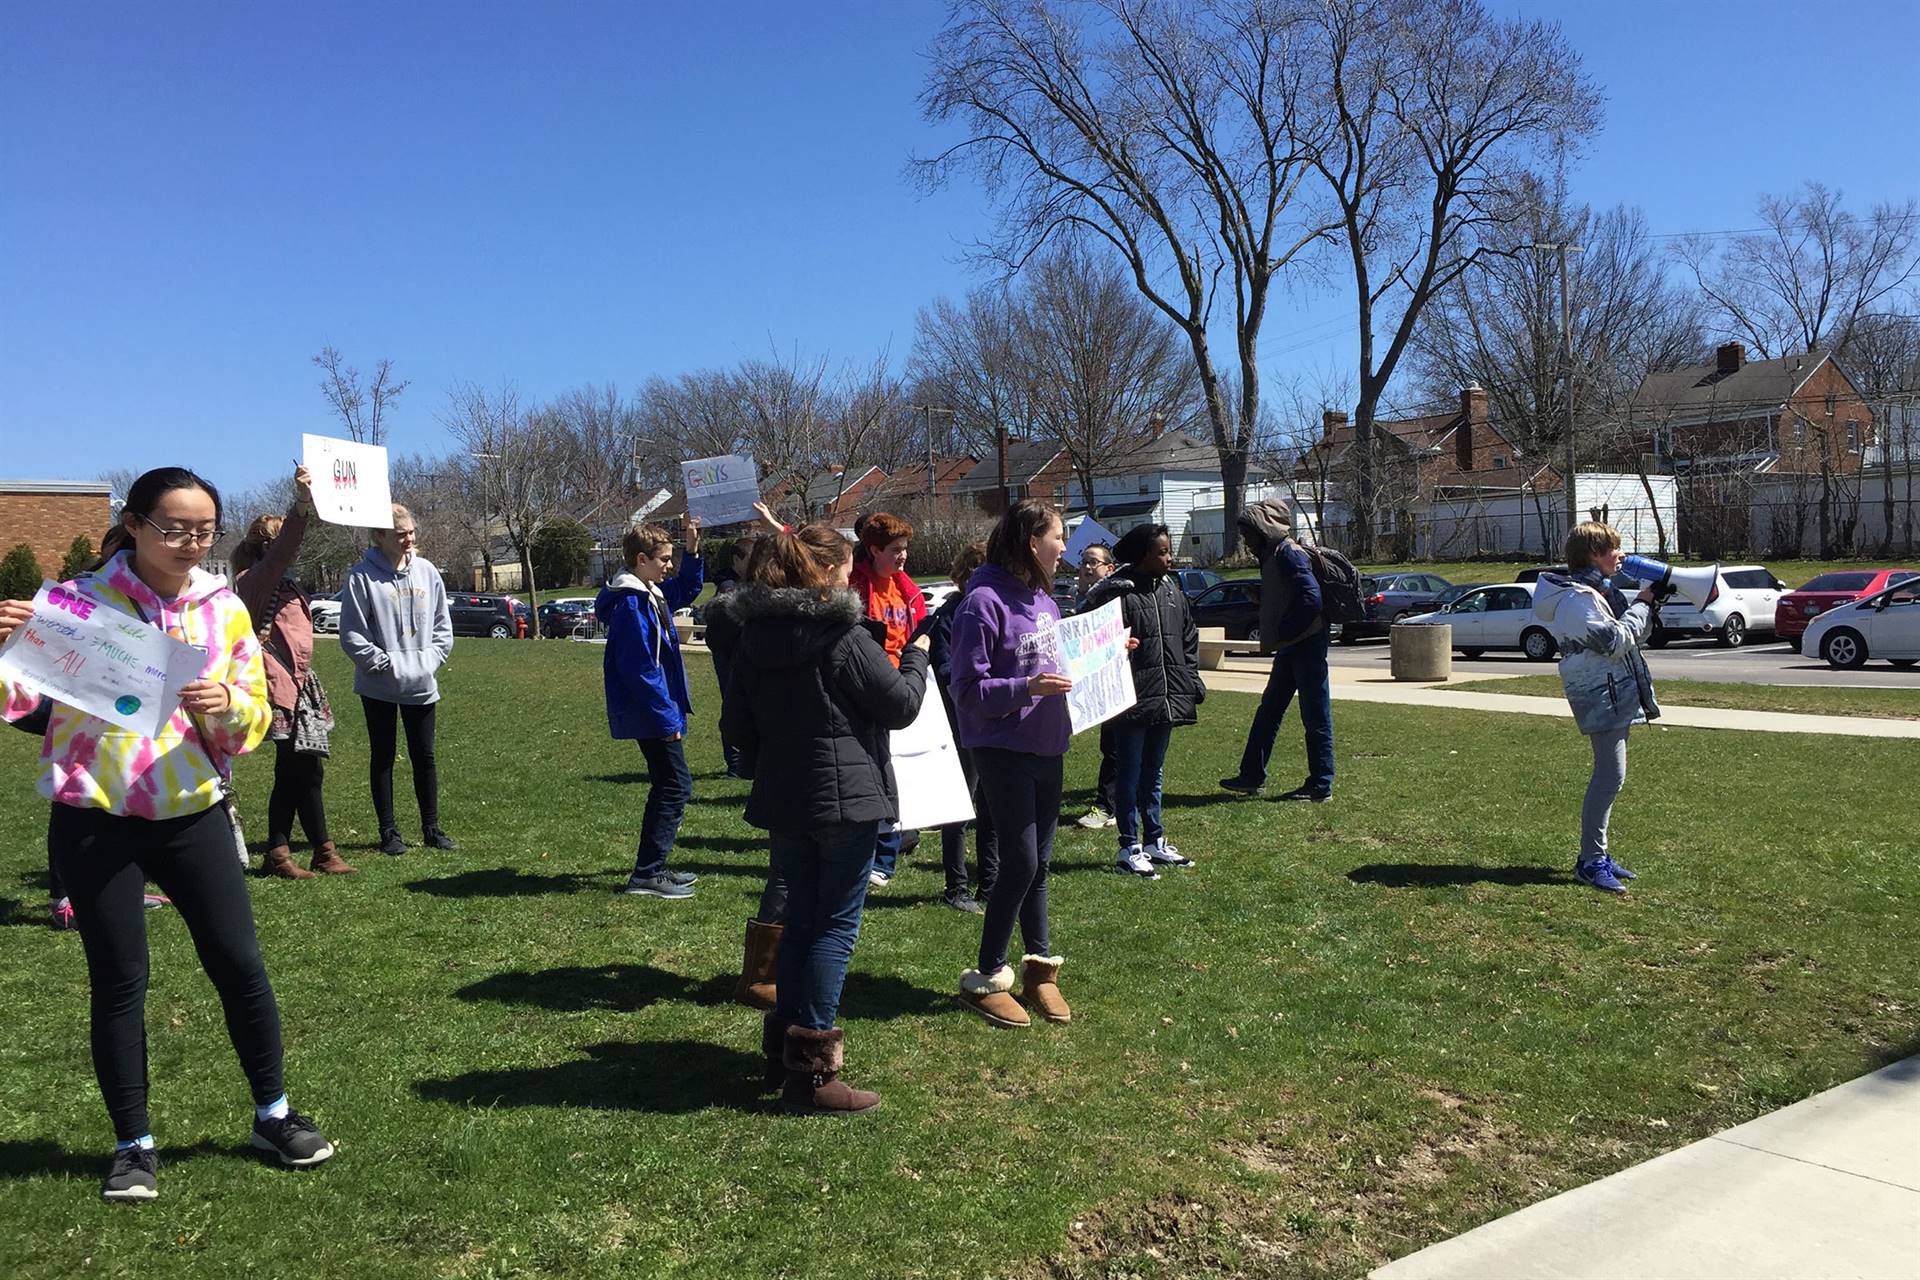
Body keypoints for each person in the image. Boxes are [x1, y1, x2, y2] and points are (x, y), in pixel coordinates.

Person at [0, 466, 334, 1202]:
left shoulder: (222, 608)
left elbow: (252, 723)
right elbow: (21, 704)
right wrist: (13, 646)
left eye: (203, 531)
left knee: (240, 965)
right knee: (120, 982)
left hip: (193, 813)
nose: (188, 542)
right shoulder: (74, 605)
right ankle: (133, 1144)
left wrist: (224, 704)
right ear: (134, 524)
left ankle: (273, 1113)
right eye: (172, 528)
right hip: (96, 821)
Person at [721, 522, 930, 1113]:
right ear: (825, 572)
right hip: (845, 800)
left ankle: (781, 1052)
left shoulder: (755, 637)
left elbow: (736, 728)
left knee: (801, 924)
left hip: (788, 800)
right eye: (844, 565)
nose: (851, 573)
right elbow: (901, 705)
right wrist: (916, 655)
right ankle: (811, 1073)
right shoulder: (841, 635)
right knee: (833, 927)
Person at [951, 500, 1076, 1030]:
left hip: (1049, 744)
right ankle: (986, 975)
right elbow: (967, 691)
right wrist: (1026, 686)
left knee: (1040, 863)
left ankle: (1040, 973)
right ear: (1031, 541)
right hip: (1002, 749)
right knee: (1019, 863)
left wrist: (1107, 654)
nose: (1064, 546)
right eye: (1058, 536)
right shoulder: (981, 602)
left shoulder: (1044, 600)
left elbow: (1058, 663)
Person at [231, 465, 351, 879]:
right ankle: (280, 853)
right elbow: (287, 546)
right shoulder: (256, 579)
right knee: (293, 769)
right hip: (277, 684)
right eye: (282, 540)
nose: (293, 551)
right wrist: (302, 503)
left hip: (302, 684)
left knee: (309, 767)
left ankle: (321, 850)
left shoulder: (284, 583)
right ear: (268, 546)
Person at [1532, 523, 1660, 894]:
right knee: (1609, 777)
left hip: (1611, 692)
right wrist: (1643, 603)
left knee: (1611, 776)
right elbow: (1615, 640)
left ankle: (1597, 855)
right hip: (1599, 694)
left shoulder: (1597, 593)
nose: (1620, 555)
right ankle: (1590, 862)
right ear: (1591, 555)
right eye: (1612, 550)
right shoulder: (1577, 601)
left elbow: (1632, 634)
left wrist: (1646, 606)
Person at [596, 516, 704, 900]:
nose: (668, 566)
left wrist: (692, 550)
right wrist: (666, 718)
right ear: (641, 559)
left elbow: (688, 588)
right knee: (676, 786)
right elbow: (640, 668)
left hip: (658, 709)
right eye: (664, 559)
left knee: (668, 784)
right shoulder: (631, 602)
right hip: (652, 712)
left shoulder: (649, 592)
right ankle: (647, 872)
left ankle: (653, 868)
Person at [338, 505, 456, 855]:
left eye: (411, 531)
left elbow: (442, 627)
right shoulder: (362, 577)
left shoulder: (428, 572)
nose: (409, 538)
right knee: (383, 756)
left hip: (421, 683)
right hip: (379, 686)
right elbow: (352, 635)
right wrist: (384, 664)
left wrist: (428, 662)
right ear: (379, 537)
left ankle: (432, 828)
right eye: (400, 533)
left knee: (425, 757)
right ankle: (389, 832)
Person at [1220, 500, 1334, 803]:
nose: (1246, 542)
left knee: (1315, 715)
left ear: (1264, 529)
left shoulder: (1288, 554)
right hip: (1292, 645)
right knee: (1268, 711)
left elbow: (1311, 599)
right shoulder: (1274, 555)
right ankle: (1251, 776)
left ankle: (1320, 785)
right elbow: (1294, 596)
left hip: (1305, 643)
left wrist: (1285, 629)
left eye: (1248, 535)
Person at [1108, 524, 1203, 878]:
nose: (1169, 557)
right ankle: (1128, 846)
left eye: (1168, 551)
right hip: (1132, 700)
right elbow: (1100, 645)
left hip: (1167, 698)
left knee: (1154, 773)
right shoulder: (1119, 595)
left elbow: (1189, 638)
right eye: (1162, 552)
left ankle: (1154, 840)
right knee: (1129, 775)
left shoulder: (1173, 591)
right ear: (1143, 556)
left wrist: (1191, 679)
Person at [850, 511, 928, 889]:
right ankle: (881, 852)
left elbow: (919, 627)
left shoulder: (906, 587)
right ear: (874, 550)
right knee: (879, 768)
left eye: (905, 550)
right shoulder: (856, 586)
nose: (903, 557)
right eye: (895, 550)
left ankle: (890, 847)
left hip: (902, 682)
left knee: (898, 768)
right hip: (870, 684)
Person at [924, 540, 995, 914]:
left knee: (991, 806)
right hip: (961, 727)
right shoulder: (952, 614)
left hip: (991, 725)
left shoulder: (989, 611)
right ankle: (957, 888)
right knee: (960, 808)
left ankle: (991, 882)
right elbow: (946, 671)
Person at [1071, 543, 1125, 831]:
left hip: (1120, 682)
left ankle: (1108, 806)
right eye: (1083, 563)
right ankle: (1119, 803)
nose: (1087, 568)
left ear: (1109, 569)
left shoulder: (1115, 598)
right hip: (1097, 687)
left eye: (1094, 562)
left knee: (1116, 747)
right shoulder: (1081, 600)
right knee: (1113, 746)